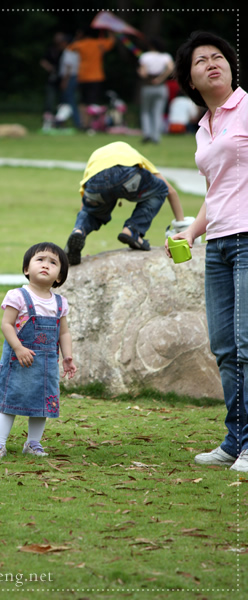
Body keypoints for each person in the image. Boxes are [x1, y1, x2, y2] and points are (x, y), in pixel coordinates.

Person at [167, 31, 248, 472]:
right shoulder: (204, 127)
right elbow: (216, 190)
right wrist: (192, 233)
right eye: (202, 60)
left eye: (219, 56)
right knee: (225, 346)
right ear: (190, 80)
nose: (213, 62)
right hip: (218, 243)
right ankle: (235, 441)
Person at [0, 243, 77, 460]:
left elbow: (63, 333)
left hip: (46, 366)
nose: (46, 265)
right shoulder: (17, 296)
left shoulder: (59, 303)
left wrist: (67, 356)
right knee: (9, 404)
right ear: (27, 269)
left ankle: (33, 443)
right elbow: (7, 325)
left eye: (53, 263)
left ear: (59, 276)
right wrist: (18, 347)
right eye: (40, 260)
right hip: (18, 362)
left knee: (42, 405)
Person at [64, 141, 184, 265]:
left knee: (92, 213)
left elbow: (86, 205)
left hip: (96, 180)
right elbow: (170, 191)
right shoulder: (131, 154)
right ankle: (132, 229)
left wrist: (79, 225)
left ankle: (78, 231)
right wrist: (182, 226)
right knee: (160, 189)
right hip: (127, 174)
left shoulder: (96, 158)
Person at [67, 28, 115, 129]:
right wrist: (109, 31)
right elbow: (112, 41)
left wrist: (77, 38)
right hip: (96, 77)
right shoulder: (99, 43)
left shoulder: (81, 44)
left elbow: (70, 48)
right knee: (92, 102)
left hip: (83, 77)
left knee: (83, 102)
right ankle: (91, 125)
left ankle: (83, 124)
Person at [137, 37, 174, 144]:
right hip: (161, 87)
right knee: (158, 112)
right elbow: (170, 68)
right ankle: (156, 136)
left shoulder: (145, 56)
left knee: (146, 111)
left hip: (148, 86)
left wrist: (139, 71)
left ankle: (147, 134)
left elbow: (143, 73)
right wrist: (160, 78)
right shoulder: (166, 56)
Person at [40, 33, 67, 129]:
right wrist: (50, 68)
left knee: (62, 103)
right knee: (49, 101)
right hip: (52, 79)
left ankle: (60, 123)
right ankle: (47, 122)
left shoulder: (66, 51)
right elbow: (43, 61)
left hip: (63, 79)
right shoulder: (51, 50)